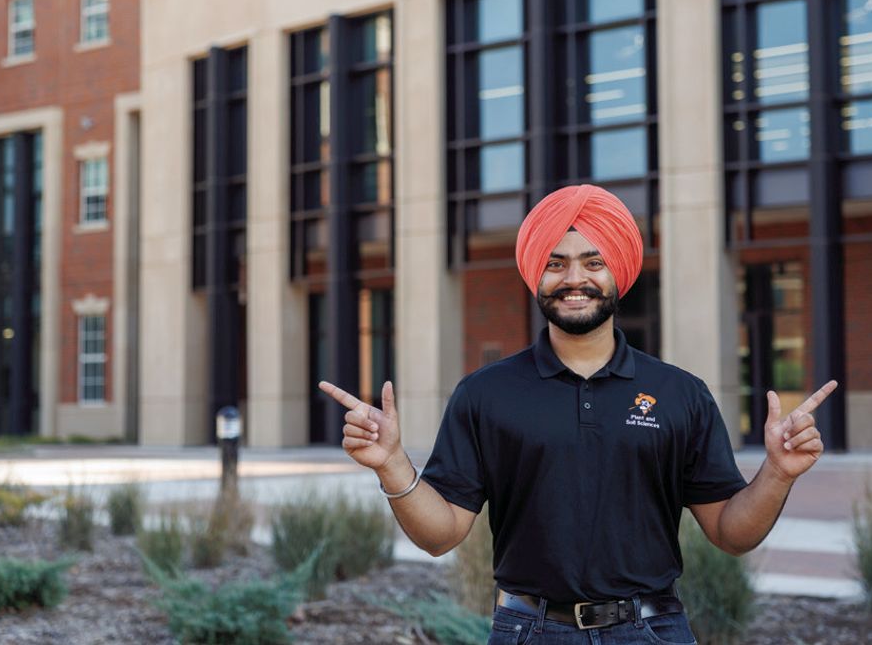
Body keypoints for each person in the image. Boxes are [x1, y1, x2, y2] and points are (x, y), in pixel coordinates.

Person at [320, 184, 837, 644]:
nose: (574, 279)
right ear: (535, 273)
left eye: (593, 262)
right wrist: (391, 464)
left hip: (652, 630)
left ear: (619, 272)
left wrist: (776, 473)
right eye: (555, 262)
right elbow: (441, 535)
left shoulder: (680, 394)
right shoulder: (486, 394)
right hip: (528, 630)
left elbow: (731, 532)